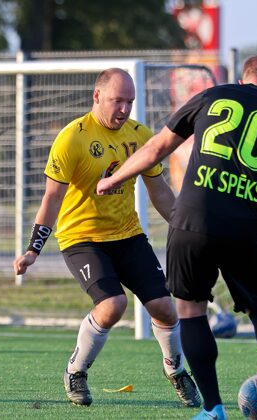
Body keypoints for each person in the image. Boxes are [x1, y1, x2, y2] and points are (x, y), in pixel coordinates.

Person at [97, 55, 257, 419]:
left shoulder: (213, 95)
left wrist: (114, 178)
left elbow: (156, 148)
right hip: (246, 226)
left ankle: (213, 408)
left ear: (243, 80)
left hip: (192, 219)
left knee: (190, 310)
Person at [13, 68, 200, 408]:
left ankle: (176, 372)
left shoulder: (140, 136)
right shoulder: (72, 138)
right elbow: (52, 198)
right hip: (81, 238)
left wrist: (186, 229)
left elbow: (159, 191)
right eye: (117, 101)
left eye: (130, 102)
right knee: (113, 305)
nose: (124, 109)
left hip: (128, 235)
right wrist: (32, 250)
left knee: (164, 308)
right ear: (97, 96)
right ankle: (76, 371)